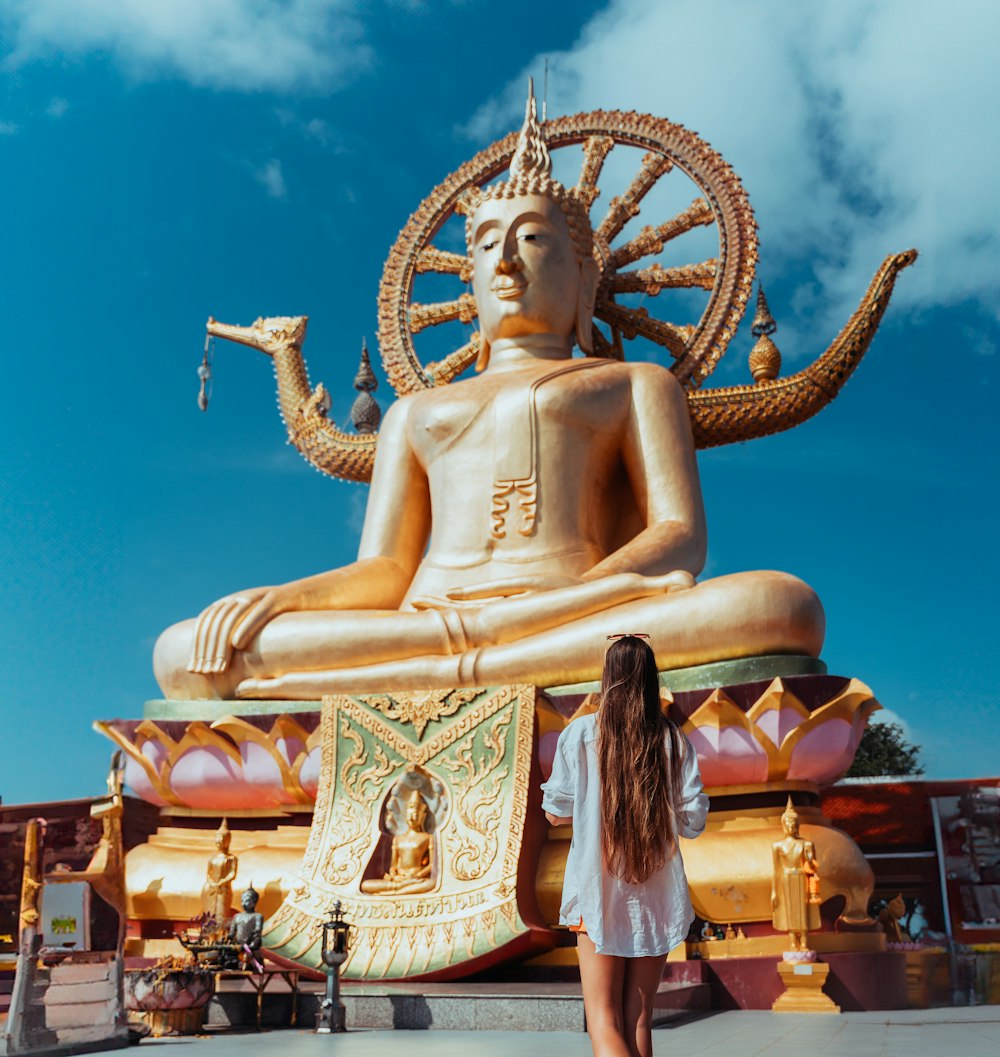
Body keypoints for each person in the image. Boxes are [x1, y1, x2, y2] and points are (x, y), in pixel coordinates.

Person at [152, 90, 822, 701]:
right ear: (468, 281)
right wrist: (280, 601)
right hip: (429, 621)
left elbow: (677, 538)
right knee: (187, 652)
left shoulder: (635, 384)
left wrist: (567, 603)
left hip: (573, 612)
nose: (504, 262)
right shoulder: (416, 411)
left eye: (532, 239)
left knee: (778, 606)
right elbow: (386, 567)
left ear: (583, 274)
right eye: (485, 245)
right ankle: (474, 666)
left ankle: (420, 679)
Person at [541, 634, 708, 1057]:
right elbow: (693, 821)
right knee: (639, 1020)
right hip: (655, 893)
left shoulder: (581, 732)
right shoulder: (671, 740)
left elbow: (556, 808)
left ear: (608, 676)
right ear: (652, 677)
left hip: (596, 890)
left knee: (603, 1020)